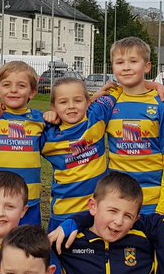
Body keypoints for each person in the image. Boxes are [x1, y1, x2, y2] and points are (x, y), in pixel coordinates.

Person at [105, 37, 164, 214]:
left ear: (147, 67)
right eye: (119, 62)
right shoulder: (108, 102)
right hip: (117, 200)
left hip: (152, 203)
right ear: (113, 67)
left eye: (133, 61)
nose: (126, 67)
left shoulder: (161, 104)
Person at [40, 77, 117, 227]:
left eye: (78, 100)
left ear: (87, 103)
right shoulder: (48, 134)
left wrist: (155, 86)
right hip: (63, 213)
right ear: (53, 107)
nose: (71, 106)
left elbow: (119, 89)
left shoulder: (97, 116)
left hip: (96, 211)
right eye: (63, 102)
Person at [0, 61, 49, 228]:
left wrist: (54, 116)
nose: (13, 90)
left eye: (21, 85)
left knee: (28, 241)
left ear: (32, 92)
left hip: (29, 200)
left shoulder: (40, 120)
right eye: (7, 85)